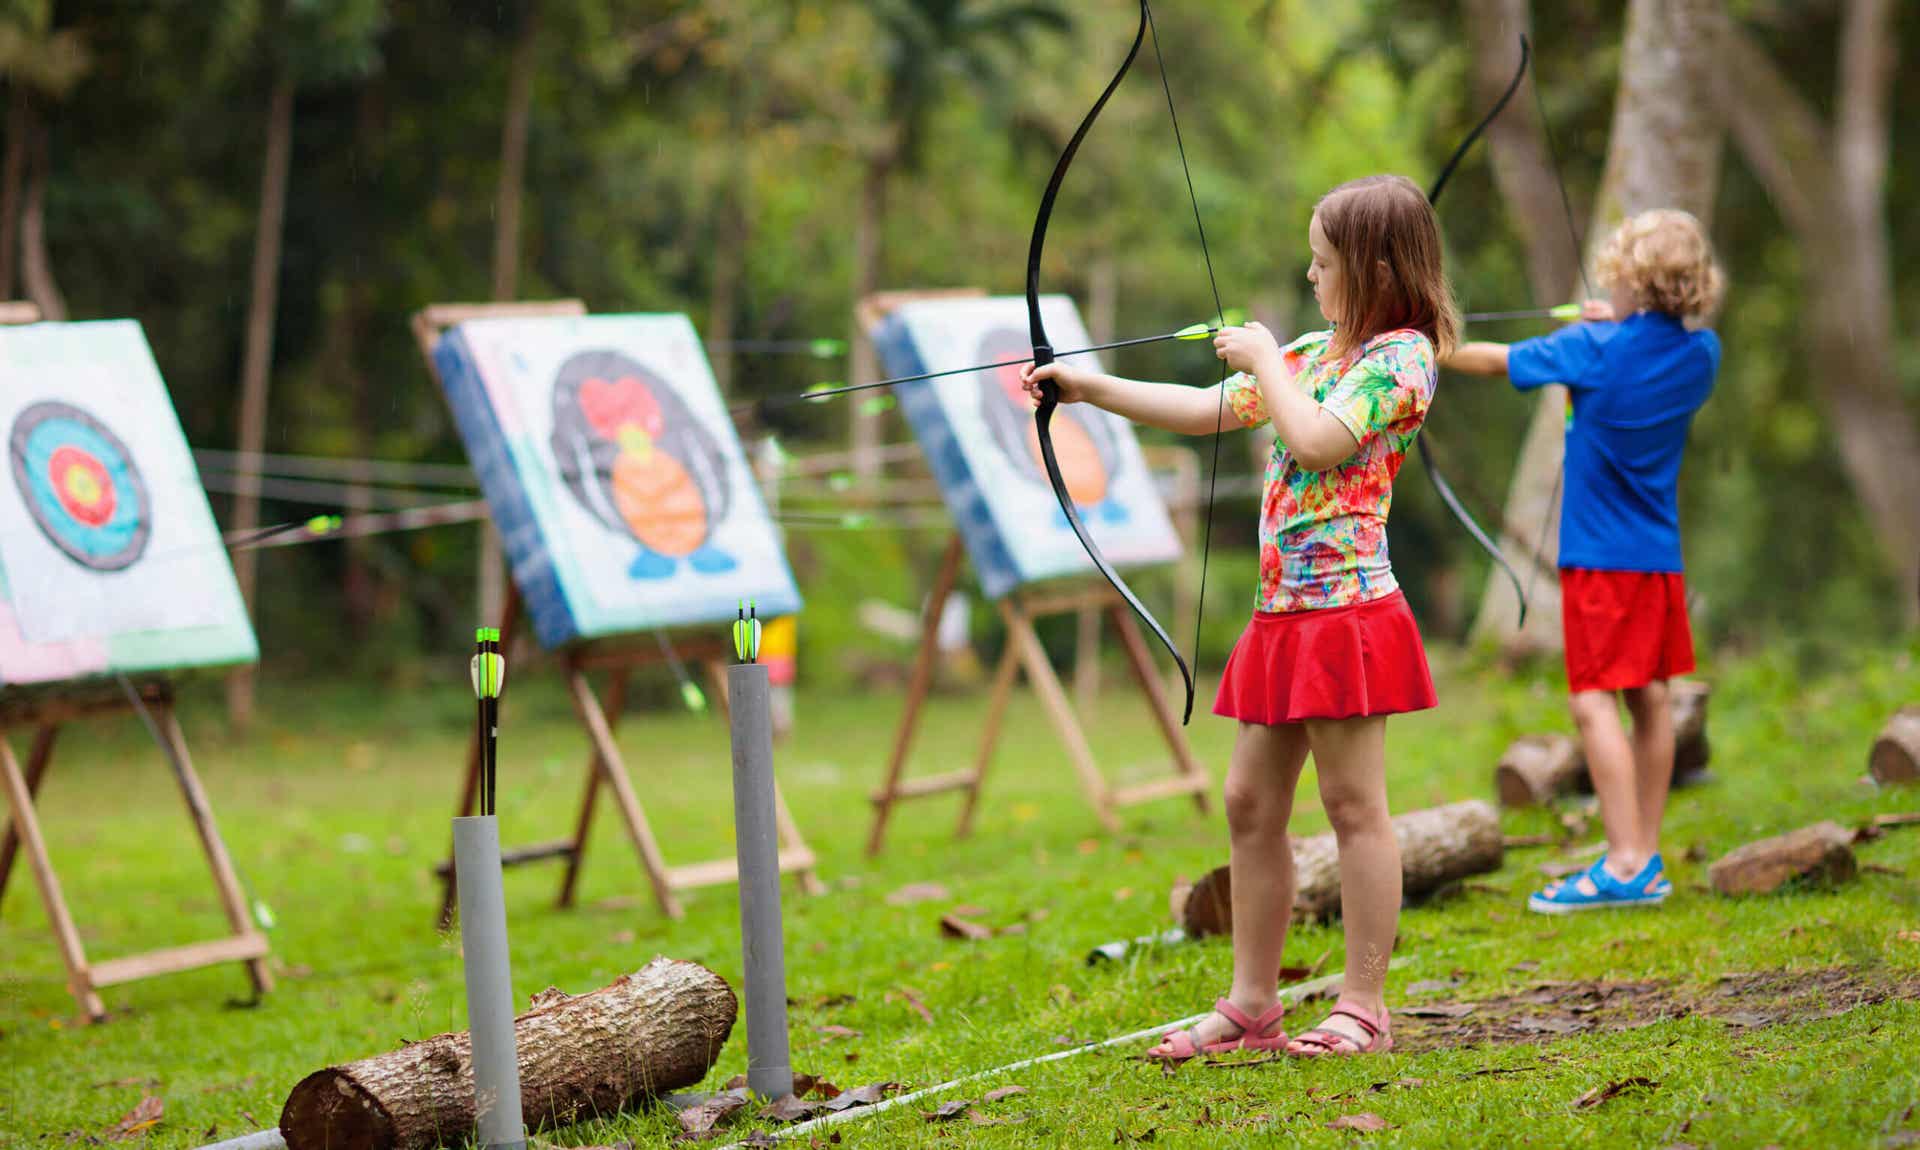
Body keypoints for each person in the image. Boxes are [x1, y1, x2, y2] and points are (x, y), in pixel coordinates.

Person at [1023, 174, 1452, 1059]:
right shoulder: (1313, 351)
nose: (1309, 274)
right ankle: (1254, 1004)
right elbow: (1207, 411)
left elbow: (1319, 440)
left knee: (1352, 804)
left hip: (1345, 613)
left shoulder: (1400, 360)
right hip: (1282, 615)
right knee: (1251, 801)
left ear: (1373, 268)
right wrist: (1088, 387)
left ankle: (1363, 1005)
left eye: (1322, 261)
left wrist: (1264, 362)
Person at [1443, 208, 1723, 914]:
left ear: (1630, 281)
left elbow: (1492, 360)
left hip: (1601, 559)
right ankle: (1644, 854)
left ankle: (1625, 861)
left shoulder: (1592, 347)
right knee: (1650, 696)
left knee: (1591, 699)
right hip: (1657, 558)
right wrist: (1618, 325)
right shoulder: (1703, 355)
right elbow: (1644, 357)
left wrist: (1422, 344)